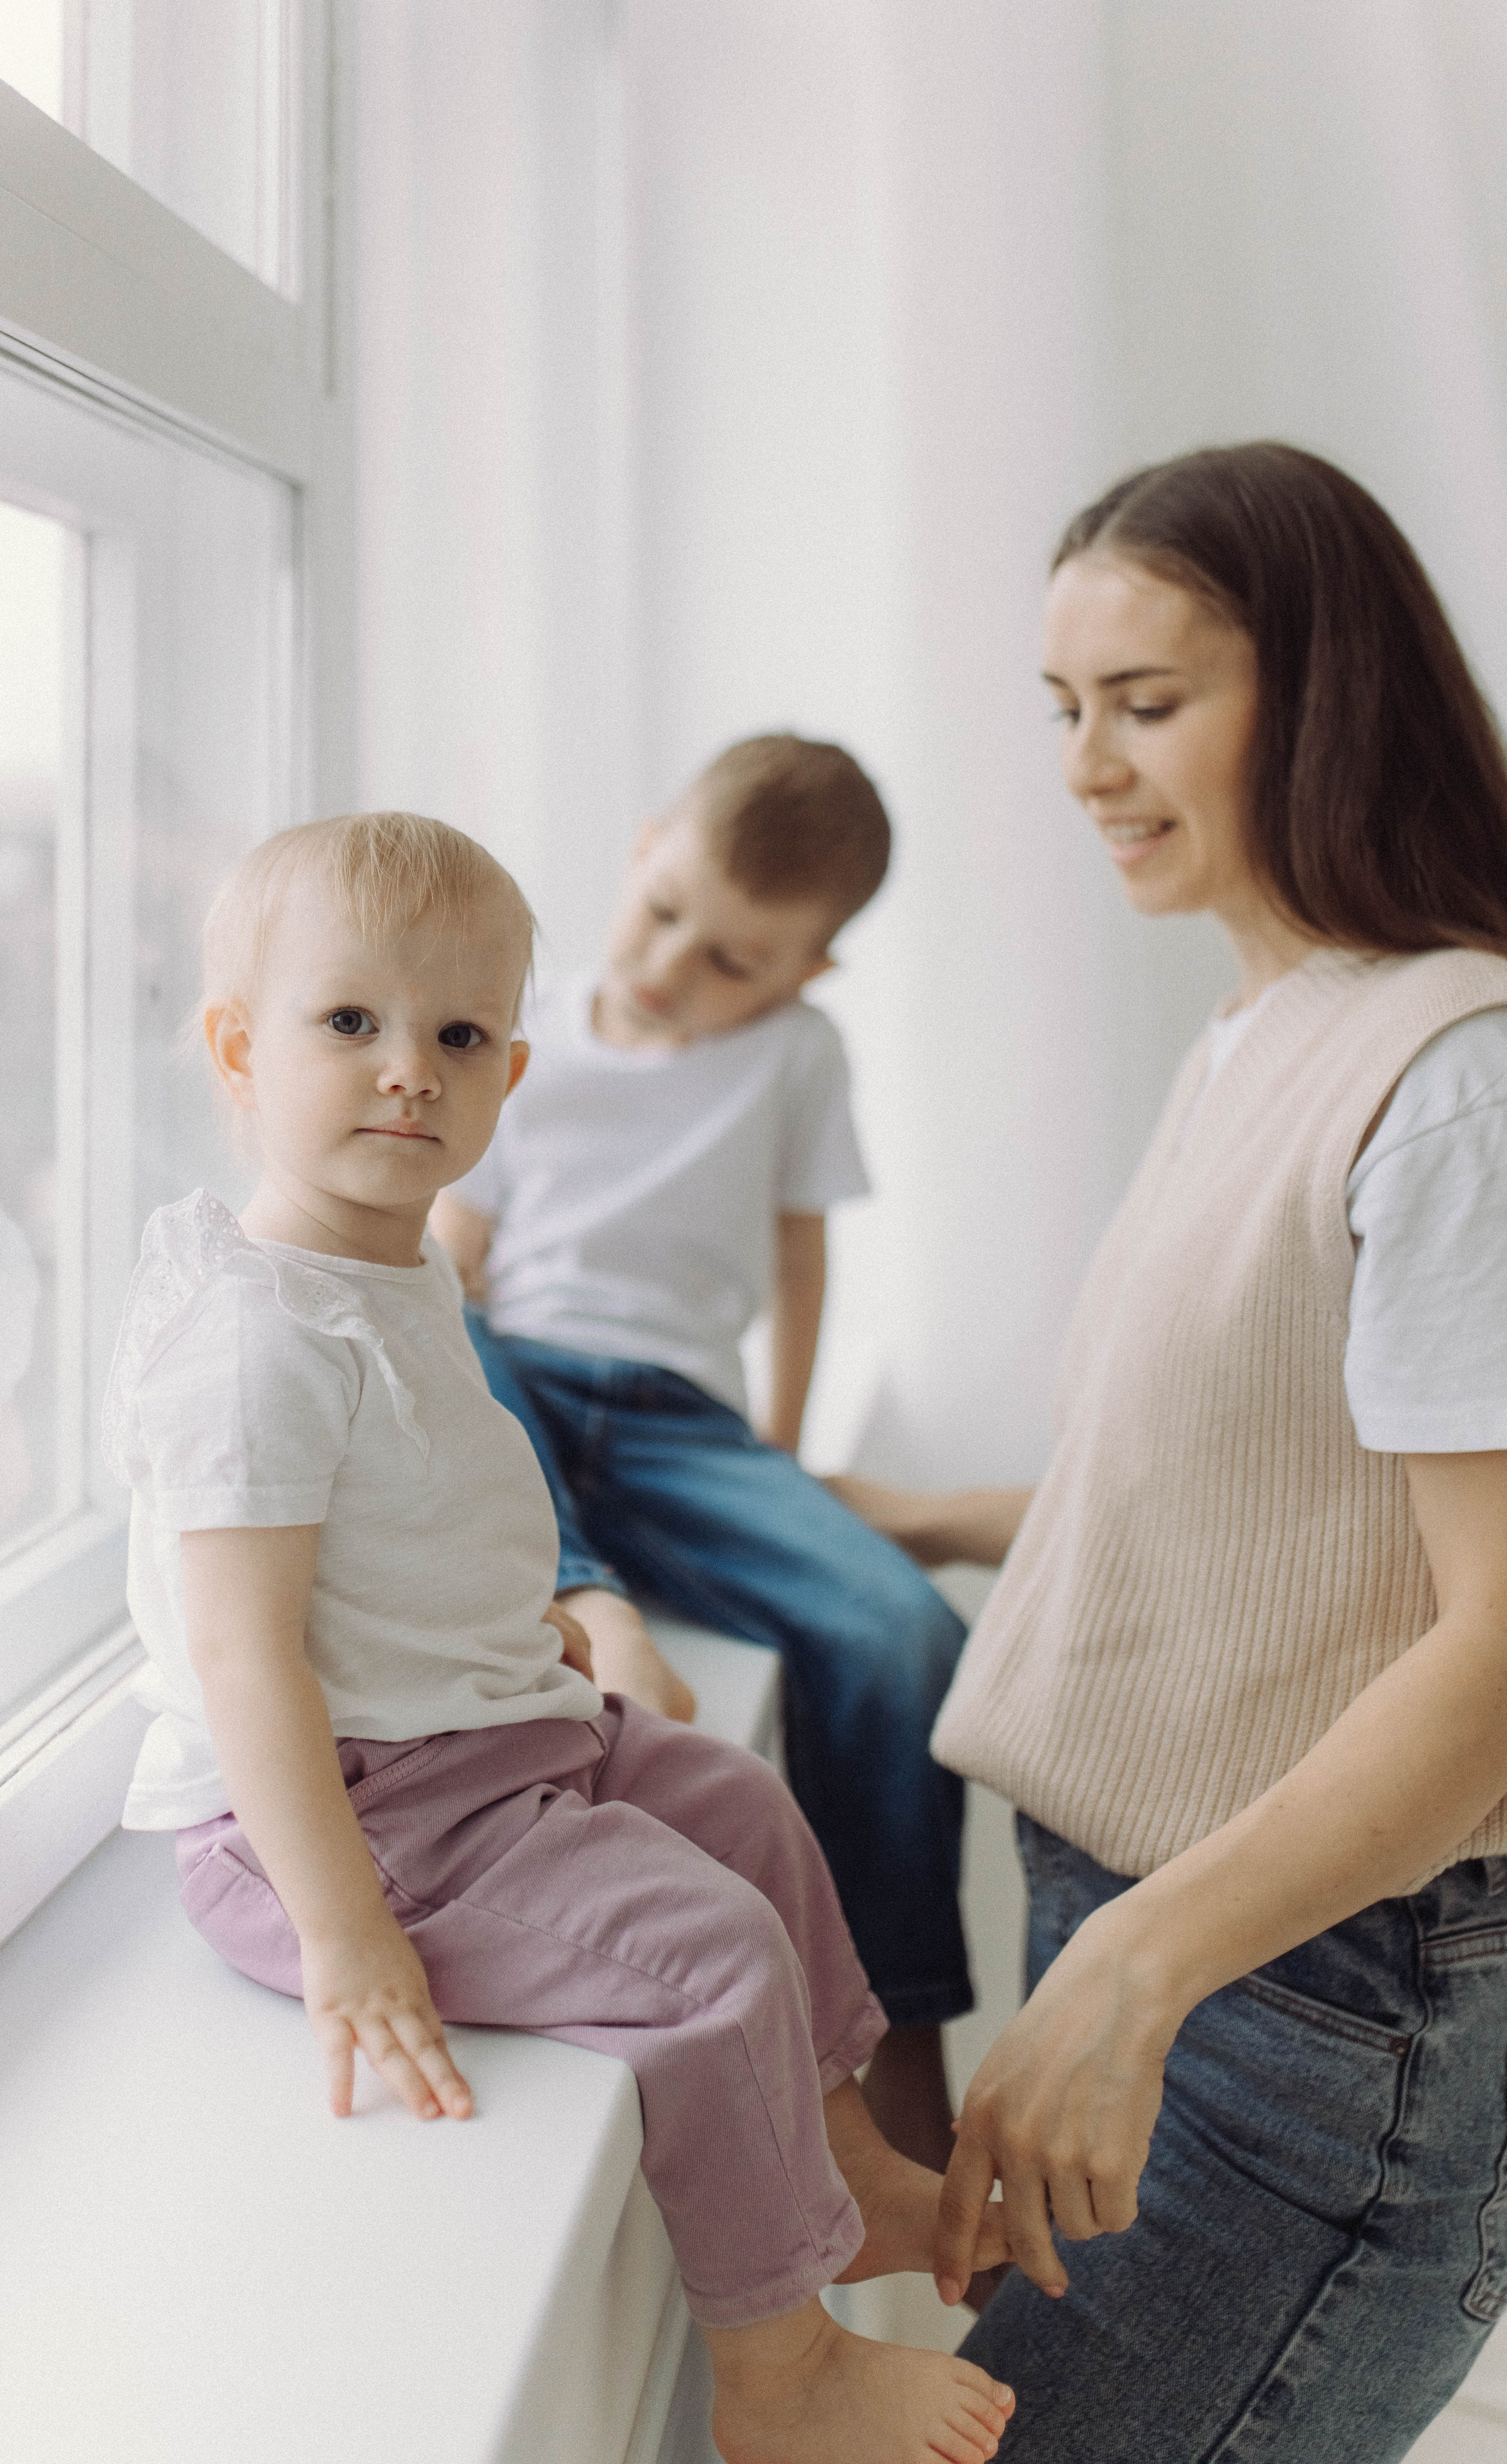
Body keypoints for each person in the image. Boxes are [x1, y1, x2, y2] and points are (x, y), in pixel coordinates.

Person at [101, 810, 1015, 2464]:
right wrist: (343, 1932)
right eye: (348, 1025)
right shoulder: (257, 1339)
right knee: (709, 1956)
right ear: (239, 1050)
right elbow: (245, 1664)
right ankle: (778, 2377)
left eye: (456, 1037)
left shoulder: (394, 1275)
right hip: (353, 1821)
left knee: (742, 1806)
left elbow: (404, 1537)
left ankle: (849, 2170)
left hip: (482, 1739)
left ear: (510, 1080)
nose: (407, 1074)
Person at [837, 443, 1507, 2461]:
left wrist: (1137, 1971)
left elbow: (1492, 1654)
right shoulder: (1261, 1034)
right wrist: (899, 1519)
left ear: (1325, 692)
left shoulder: (1454, 1080)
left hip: (1304, 2000)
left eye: (1146, 703)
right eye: (1064, 712)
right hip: (1162, 1937)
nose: (1085, 765)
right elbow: (1260, 1517)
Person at [430, 735, 972, 2171]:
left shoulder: (797, 1057)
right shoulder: (508, 1025)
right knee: (424, 1290)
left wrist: (781, 1452)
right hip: (519, 1386)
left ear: (806, 975)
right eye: (666, 911)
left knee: (902, 1637)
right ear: (643, 845)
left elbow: (802, 1263)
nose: (676, 967)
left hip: (677, 1418)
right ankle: (594, 1597)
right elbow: (455, 1256)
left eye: (737, 960)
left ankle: (903, 2029)